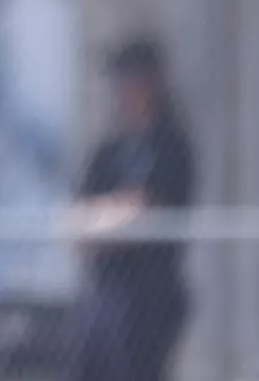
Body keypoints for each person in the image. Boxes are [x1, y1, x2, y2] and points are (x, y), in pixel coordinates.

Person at [68, 36, 196, 381]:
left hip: (151, 295)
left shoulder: (170, 143)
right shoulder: (108, 150)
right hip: (105, 294)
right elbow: (77, 220)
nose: (121, 89)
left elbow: (146, 209)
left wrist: (115, 216)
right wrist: (115, 215)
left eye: (129, 77)